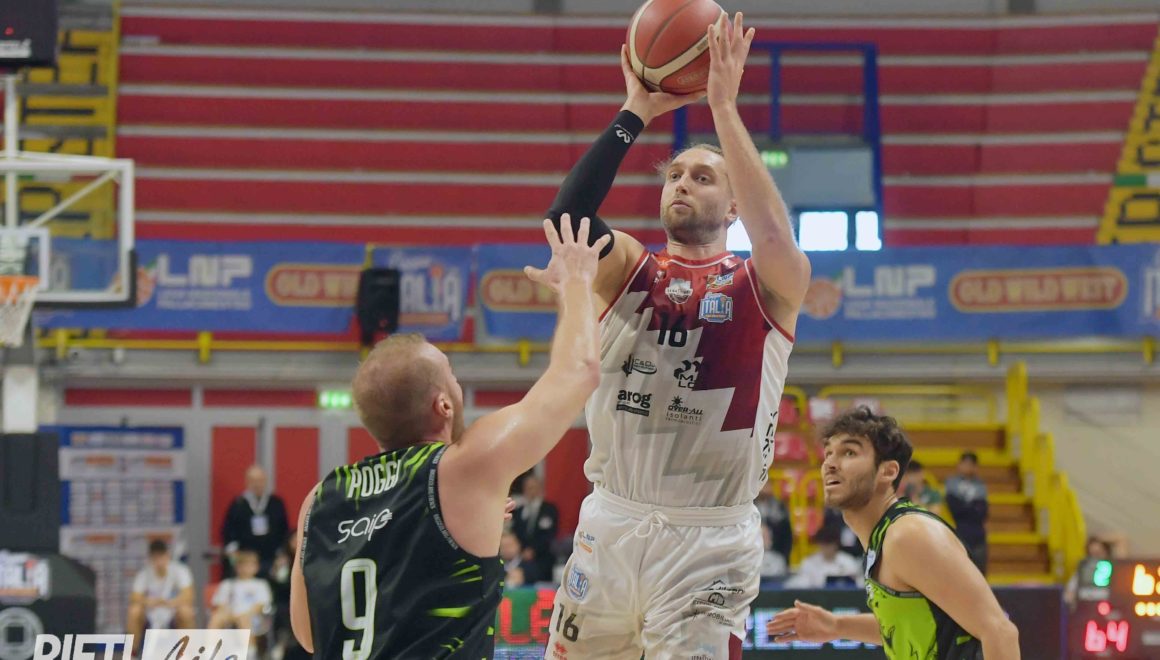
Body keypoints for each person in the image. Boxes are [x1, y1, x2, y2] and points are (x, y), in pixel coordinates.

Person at [542, 13, 812, 658]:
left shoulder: (765, 283)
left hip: (709, 540)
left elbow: (776, 236)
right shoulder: (630, 266)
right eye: (674, 174)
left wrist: (723, 107)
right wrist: (635, 109)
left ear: (734, 206)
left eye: (703, 176)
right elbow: (568, 215)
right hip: (611, 523)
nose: (682, 182)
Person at [289, 216, 606, 659]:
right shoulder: (461, 468)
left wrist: (463, 524)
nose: (458, 385)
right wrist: (576, 283)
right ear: (443, 405)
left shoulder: (320, 498)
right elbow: (579, 372)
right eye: (452, 376)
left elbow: (308, 634)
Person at [767, 407, 1020, 659]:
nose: (830, 464)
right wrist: (837, 626)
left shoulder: (908, 535)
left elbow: (1000, 632)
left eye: (849, 452)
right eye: (828, 453)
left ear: (888, 472)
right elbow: (910, 626)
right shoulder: (882, 537)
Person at [221, 465, 290, 578]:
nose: (257, 484)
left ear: (266, 481)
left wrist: (282, 553)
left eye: (260, 480)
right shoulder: (238, 504)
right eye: (253, 480)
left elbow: (284, 530)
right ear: (247, 482)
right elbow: (228, 532)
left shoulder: (276, 503)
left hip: (271, 557)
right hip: (245, 557)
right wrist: (234, 554)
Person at [126, 539, 195, 649]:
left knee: (186, 612)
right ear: (150, 559)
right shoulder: (144, 573)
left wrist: (170, 602)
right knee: (134, 611)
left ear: (167, 556)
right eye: (155, 558)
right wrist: (149, 602)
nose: (159, 562)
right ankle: (132, 651)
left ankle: (187, 651)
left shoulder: (180, 570)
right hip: (151, 612)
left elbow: (189, 595)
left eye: (161, 557)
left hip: (173, 611)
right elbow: (134, 596)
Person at [944, 451, 990, 574]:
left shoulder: (980, 485)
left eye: (970, 464)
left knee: (979, 573)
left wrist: (964, 507)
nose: (967, 467)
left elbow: (983, 512)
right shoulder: (952, 483)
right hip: (958, 532)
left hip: (978, 535)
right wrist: (972, 507)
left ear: (975, 467)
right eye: (964, 463)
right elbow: (954, 508)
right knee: (958, 572)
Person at [209, 548, 273, 633]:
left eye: (250, 565)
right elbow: (220, 604)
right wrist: (231, 615)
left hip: (253, 617)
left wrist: (245, 614)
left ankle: (249, 642)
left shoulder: (261, 584)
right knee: (216, 618)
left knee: (244, 620)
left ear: (257, 567)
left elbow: (261, 605)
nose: (246, 568)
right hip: (230, 615)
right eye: (243, 565)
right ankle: (211, 641)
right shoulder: (227, 584)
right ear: (237, 567)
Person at [511, 473, 559, 584]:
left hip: (542, 557)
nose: (531, 491)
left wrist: (533, 550)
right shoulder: (518, 511)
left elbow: (549, 534)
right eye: (528, 488)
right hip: (521, 557)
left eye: (533, 487)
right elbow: (515, 533)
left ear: (540, 489)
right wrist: (521, 550)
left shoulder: (549, 510)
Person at [783, 526, 862, 589]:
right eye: (823, 544)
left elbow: (859, 584)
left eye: (829, 544)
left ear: (836, 544)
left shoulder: (848, 561)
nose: (826, 548)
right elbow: (797, 585)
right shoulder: (809, 562)